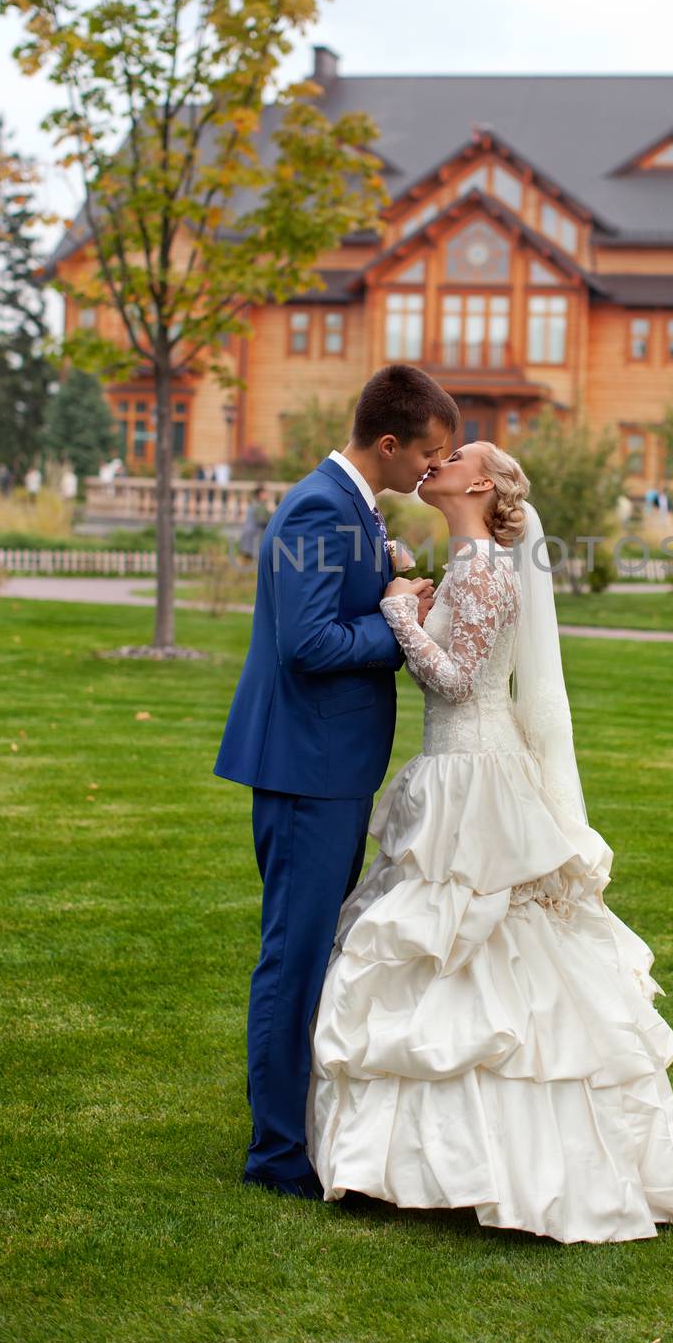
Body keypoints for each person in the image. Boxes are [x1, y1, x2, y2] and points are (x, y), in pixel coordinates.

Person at [306, 441, 673, 1244]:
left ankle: (499, 1162)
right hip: (453, 769)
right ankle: (429, 1158)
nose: (435, 459)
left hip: (476, 772)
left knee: (487, 943)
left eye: (452, 454)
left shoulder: (487, 568)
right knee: (442, 945)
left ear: (483, 483)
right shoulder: (466, 562)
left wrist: (398, 611)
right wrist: (407, 586)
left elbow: (458, 682)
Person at [212, 365, 460, 1199]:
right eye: (427, 453)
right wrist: (400, 624)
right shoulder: (321, 507)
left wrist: (387, 585)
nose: (432, 468)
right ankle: (276, 1155)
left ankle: (299, 1130)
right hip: (307, 769)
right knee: (294, 955)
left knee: (313, 950)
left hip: (328, 768)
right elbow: (308, 644)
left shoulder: (351, 505)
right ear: (387, 444)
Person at [237, 487, 270, 562]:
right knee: (254, 560)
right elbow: (262, 520)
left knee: (247, 559)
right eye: (265, 493)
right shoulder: (259, 506)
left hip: (249, 533)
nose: (268, 495)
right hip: (254, 534)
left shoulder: (254, 504)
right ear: (260, 494)